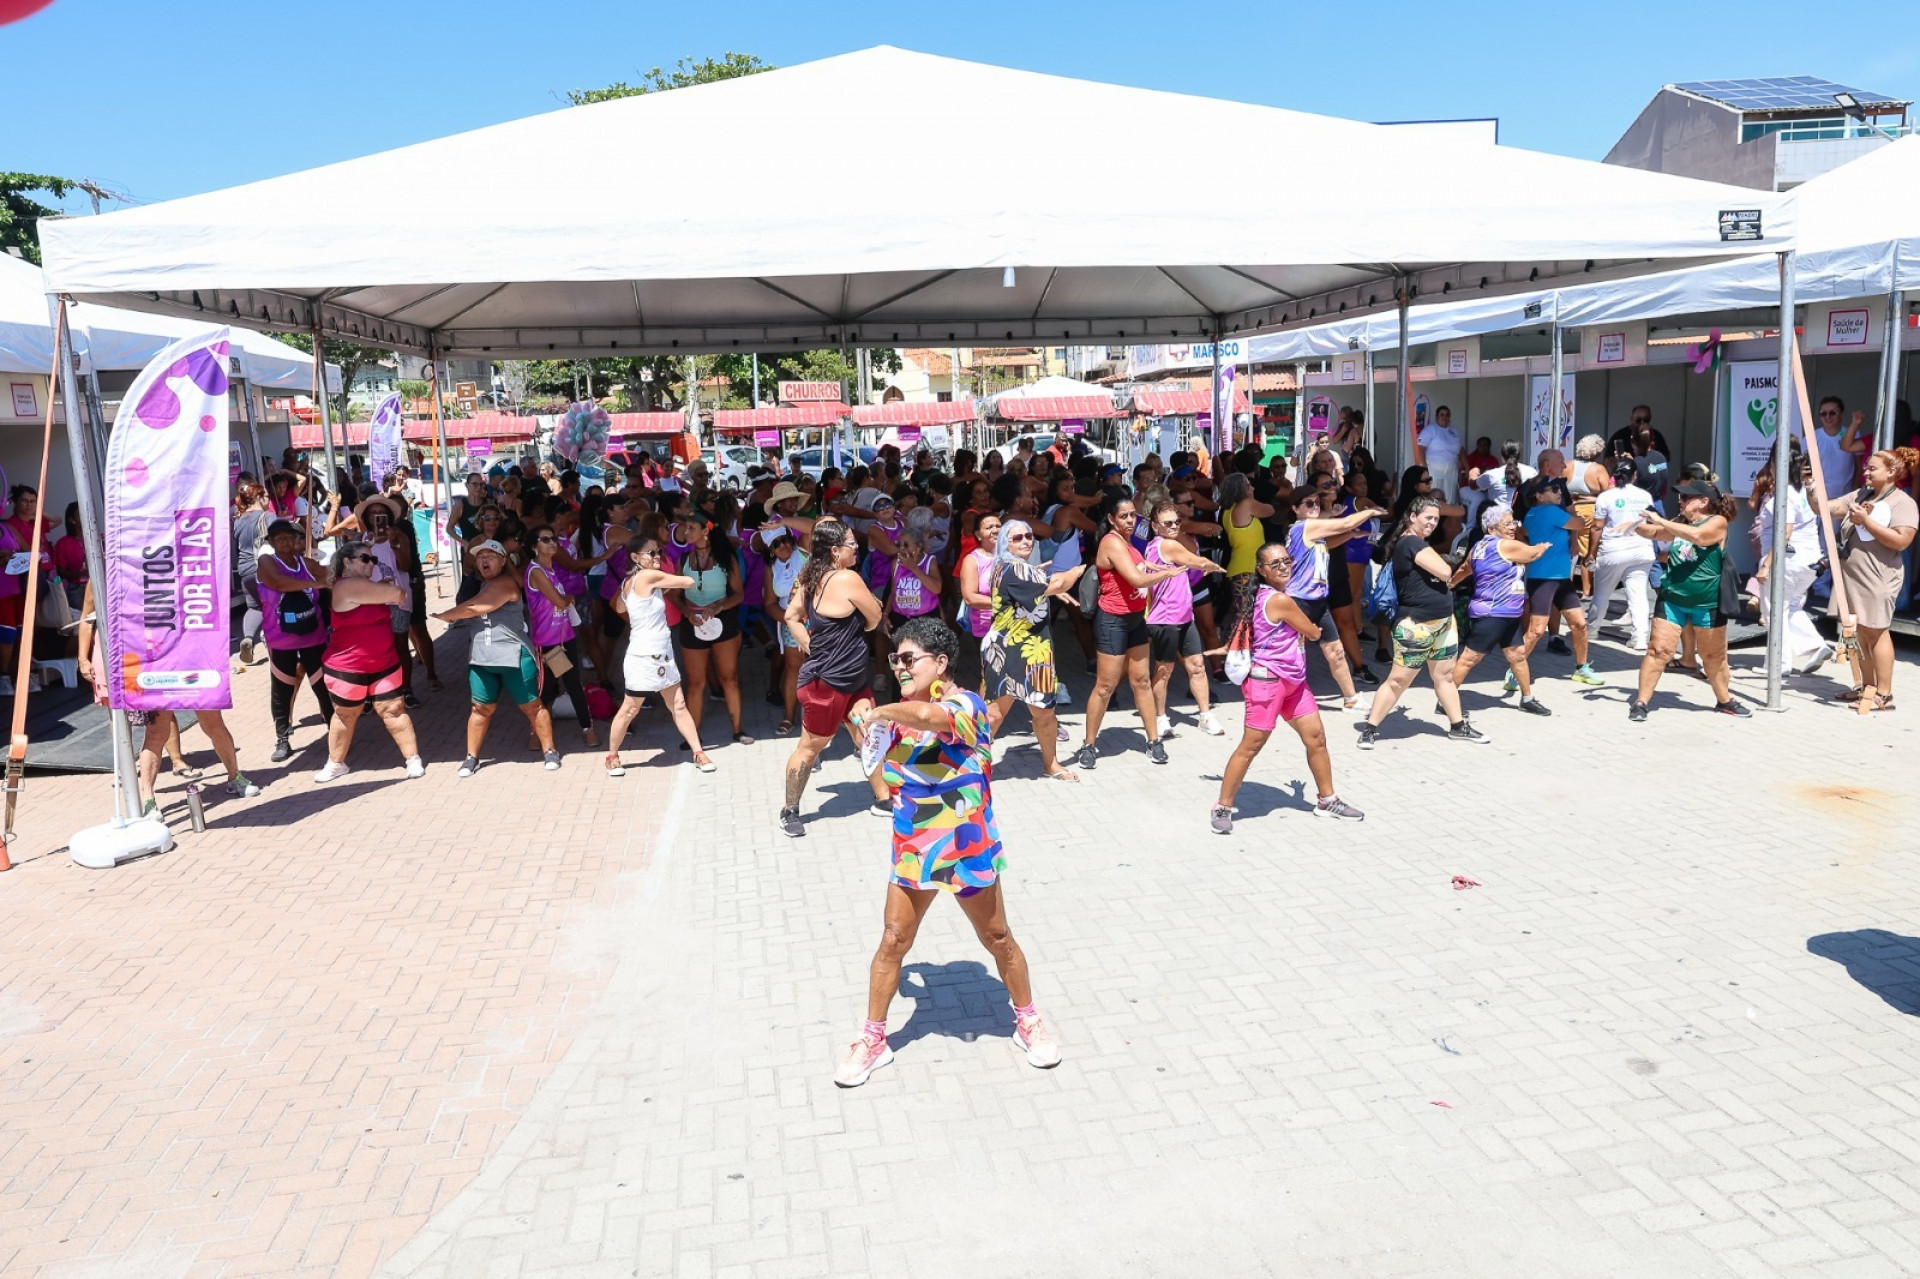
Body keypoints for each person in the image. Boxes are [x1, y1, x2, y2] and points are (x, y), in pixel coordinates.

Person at [832, 617, 1060, 1087]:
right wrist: (865, 729)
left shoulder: (966, 705)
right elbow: (879, 769)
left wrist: (883, 712)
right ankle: (873, 1038)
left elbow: (933, 719)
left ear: (940, 663)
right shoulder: (901, 718)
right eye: (895, 659)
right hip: (915, 848)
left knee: (998, 939)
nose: (899, 667)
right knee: (893, 940)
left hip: (966, 847)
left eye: (908, 658)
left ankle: (1028, 1019)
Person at [1210, 544, 1363, 833]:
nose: (1283, 566)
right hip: (1267, 684)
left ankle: (1327, 800)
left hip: (1294, 682)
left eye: (1286, 561)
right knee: (1250, 746)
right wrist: (1314, 622)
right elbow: (1314, 632)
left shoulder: (1276, 596)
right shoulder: (1279, 599)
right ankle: (1222, 807)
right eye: (1274, 563)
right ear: (1261, 571)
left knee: (1316, 738)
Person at [779, 520, 892, 837]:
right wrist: (811, 645)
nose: (857, 548)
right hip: (825, 685)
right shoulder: (846, 577)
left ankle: (883, 799)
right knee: (810, 747)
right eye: (851, 544)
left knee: (868, 735)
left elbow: (791, 616)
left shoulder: (810, 576)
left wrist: (807, 642)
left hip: (853, 679)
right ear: (834, 551)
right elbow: (873, 618)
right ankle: (789, 811)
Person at [1355, 497, 1486, 749]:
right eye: (1428, 517)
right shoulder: (1411, 542)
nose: (1433, 523)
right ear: (1413, 516)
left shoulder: (1416, 544)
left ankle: (1458, 726)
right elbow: (1446, 572)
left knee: (1445, 677)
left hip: (1443, 624)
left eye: (1436, 519)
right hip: (1417, 627)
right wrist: (1452, 561)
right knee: (1398, 681)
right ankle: (1369, 730)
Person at [1071, 492, 1184, 771]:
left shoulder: (1128, 541)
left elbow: (1138, 566)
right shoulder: (1111, 542)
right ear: (1111, 518)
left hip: (1134, 618)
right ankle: (1088, 744)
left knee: (1142, 681)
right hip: (1112, 621)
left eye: (1133, 514)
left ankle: (1153, 740)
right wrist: (1167, 572)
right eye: (1124, 516)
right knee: (1106, 685)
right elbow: (1134, 578)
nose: (1131, 520)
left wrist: (1152, 565)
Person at [434, 539, 561, 775]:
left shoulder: (505, 583)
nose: (484, 560)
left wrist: (445, 615)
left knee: (532, 706)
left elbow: (474, 608)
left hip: (514, 656)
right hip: (482, 658)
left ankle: (550, 751)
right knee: (479, 709)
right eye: (480, 556)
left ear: (504, 561)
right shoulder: (483, 586)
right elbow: (472, 605)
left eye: (491, 556)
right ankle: (471, 758)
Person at [1628, 478, 1749, 721]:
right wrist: (1635, 525)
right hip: (1672, 598)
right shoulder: (1680, 522)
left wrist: (1661, 521)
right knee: (1658, 650)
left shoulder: (1717, 522)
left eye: (1686, 498)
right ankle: (1641, 702)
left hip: (1708, 603)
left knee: (1713, 657)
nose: (1680, 501)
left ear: (1704, 502)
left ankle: (1724, 700)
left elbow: (1699, 537)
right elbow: (1655, 532)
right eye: (1680, 497)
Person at [310, 539, 425, 782]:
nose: (371, 563)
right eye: (365, 558)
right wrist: (389, 591)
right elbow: (397, 592)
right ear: (347, 562)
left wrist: (382, 590)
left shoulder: (368, 587)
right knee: (345, 715)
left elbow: (395, 593)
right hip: (347, 666)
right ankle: (336, 763)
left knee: (394, 710)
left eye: (373, 559)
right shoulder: (344, 587)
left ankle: (413, 759)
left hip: (385, 662)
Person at [980, 520, 1083, 780]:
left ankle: (1051, 765)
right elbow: (1058, 584)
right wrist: (1076, 572)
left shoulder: (1018, 568)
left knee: (1044, 713)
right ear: (1006, 542)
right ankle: (969, 767)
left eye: (1029, 536)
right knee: (993, 714)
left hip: (1034, 650)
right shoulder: (1011, 569)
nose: (1026, 541)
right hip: (1008, 650)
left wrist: (1040, 581)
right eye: (1017, 538)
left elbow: (1034, 588)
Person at [604, 534, 713, 774]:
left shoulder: (631, 582)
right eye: (651, 553)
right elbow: (686, 582)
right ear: (635, 557)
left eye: (659, 552)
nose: (657, 557)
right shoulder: (647, 576)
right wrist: (695, 561)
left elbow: (620, 606)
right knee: (630, 708)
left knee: (679, 705)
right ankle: (612, 756)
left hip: (661, 652)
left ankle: (699, 753)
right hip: (643, 655)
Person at [1834, 448, 1919, 710]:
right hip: (1854, 576)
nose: (1866, 472)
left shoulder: (1903, 503)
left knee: (1876, 632)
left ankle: (1885, 694)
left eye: (1873, 469)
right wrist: (1811, 488)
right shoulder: (1862, 494)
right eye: (1866, 467)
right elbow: (1830, 507)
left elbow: (1902, 541)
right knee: (1859, 632)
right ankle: (1866, 687)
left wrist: (1866, 521)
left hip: (1878, 577)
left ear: (1891, 472)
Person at [1449, 505, 1552, 716]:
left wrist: (1450, 584)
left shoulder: (1478, 546)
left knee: (1517, 656)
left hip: (1509, 613)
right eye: (1507, 524)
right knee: (1469, 658)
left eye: (1513, 522)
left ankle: (1527, 698)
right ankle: (1446, 700)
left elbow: (1463, 569)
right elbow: (1532, 554)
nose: (1512, 527)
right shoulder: (1505, 545)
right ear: (1492, 528)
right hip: (1492, 613)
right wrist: (1542, 546)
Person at [1282, 486, 1377, 709]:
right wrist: (1370, 512)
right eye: (1309, 503)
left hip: (1318, 601)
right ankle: (1282, 697)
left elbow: (1327, 543)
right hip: (1299, 601)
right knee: (1292, 653)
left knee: (1335, 651)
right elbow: (1344, 522)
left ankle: (1351, 699)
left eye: (1317, 502)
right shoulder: (1303, 527)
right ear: (1296, 509)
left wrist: (1351, 535)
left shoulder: (1312, 533)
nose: (1315, 507)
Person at [1141, 501, 1225, 737]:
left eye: (1177, 522)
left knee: (1197, 667)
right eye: (1167, 523)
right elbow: (1197, 561)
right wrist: (1212, 566)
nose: (1174, 526)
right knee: (1163, 670)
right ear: (1155, 525)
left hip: (1184, 616)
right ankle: (1160, 718)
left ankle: (1205, 715)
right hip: (1165, 619)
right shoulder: (1166, 545)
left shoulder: (1166, 544)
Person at [255, 518, 336, 761]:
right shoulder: (266, 561)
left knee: (323, 686)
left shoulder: (306, 562)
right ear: (270, 541)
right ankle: (282, 738)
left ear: (298, 540)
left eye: (289, 536)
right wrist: (317, 582)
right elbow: (279, 583)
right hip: (281, 640)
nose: (284, 540)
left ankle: (335, 732)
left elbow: (331, 576)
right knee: (282, 688)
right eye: (278, 537)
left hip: (314, 636)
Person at [667, 518, 752, 746]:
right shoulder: (683, 559)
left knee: (729, 678)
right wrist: (686, 613)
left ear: (705, 531)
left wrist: (718, 607)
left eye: (690, 528)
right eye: (685, 528)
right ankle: (693, 735)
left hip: (723, 621)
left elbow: (738, 595)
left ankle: (737, 730)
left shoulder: (726, 558)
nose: (685, 531)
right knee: (695, 683)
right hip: (692, 622)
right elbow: (675, 594)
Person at [1749, 448, 1831, 676]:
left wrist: (1766, 566)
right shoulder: (1805, 492)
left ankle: (1778, 664)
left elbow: (1784, 532)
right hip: (1810, 561)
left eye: (1772, 464)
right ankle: (1814, 645)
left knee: (1775, 609)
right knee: (1790, 606)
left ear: (1779, 466)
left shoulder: (1785, 496)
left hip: (1787, 561)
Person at [1515, 477, 1603, 688]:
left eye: (1560, 488)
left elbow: (1523, 532)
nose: (1559, 492)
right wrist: (1574, 508)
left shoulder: (1532, 513)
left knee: (1579, 624)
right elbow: (1580, 523)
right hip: (1544, 579)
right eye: (1553, 489)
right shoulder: (1553, 512)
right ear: (1538, 495)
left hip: (1560, 579)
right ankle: (1514, 670)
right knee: (1537, 631)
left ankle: (1581, 668)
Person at [526, 524, 599, 748]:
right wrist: (569, 598)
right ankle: (537, 733)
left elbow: (561, 599)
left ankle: (587, 729)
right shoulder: (536, 571)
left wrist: (566, 598)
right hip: (548, 642)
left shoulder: (550, 569)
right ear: (534, 547)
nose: (552, 543)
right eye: (545, 540)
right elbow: (559, 601)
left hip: (564, 636)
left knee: (571, 684)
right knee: (547, 688)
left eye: (553, 539)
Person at [1586, 460, 1657, 652]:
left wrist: (1591, 553)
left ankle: (1591, 630)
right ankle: (1640, 638)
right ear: (1635, 475)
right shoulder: (1646, 496)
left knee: (1602, 593)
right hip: (1641, 549)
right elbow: (1651, 522)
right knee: (1638, 595)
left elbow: (1597, 527)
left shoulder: (1606, 497)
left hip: (1613, 550)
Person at [762, 528, 808, 736]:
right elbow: (770, 603)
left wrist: (784, 521)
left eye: (786, 540)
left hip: (818, 619)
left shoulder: (804, 553)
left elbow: (812, 526)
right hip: (790, 622)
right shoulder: (771, 569)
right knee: (793, 668)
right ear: (771, 549)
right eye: (777, 543)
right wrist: (791, 620)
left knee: (825, 667)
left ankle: (830, 715)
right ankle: (789, 716)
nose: (783, 546)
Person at [233, 483, 271, 665]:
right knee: (274, 606)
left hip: (245, 569)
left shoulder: (239, 520)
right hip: (264, 567)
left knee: (255, 607)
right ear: (260, 498)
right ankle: (271, 642)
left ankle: (248, 638)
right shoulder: (267, 517)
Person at [1812, 398, 1870, 503]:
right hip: (1817, 496)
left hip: (1844, 497)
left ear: (1841, 414)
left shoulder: (1853, 434)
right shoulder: (1811, 437)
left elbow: (1859, 466)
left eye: (1832, 413)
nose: (1828, 417)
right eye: (1823, 413)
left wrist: (1855, 491)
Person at [1415, 405, 1463, 502]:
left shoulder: (1454, 431)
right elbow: (1420, 448)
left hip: (1451, 471)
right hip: (1434, 470)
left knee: (1450, 498)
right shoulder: (1430, 429)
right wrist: (1423, 468)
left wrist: (1466, 468)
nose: (1444, 417)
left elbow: (1461, 450)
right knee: (1434, 496)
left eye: (1447, 415)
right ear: (1437, 417)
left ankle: (1447, 516)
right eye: (1442, 414)